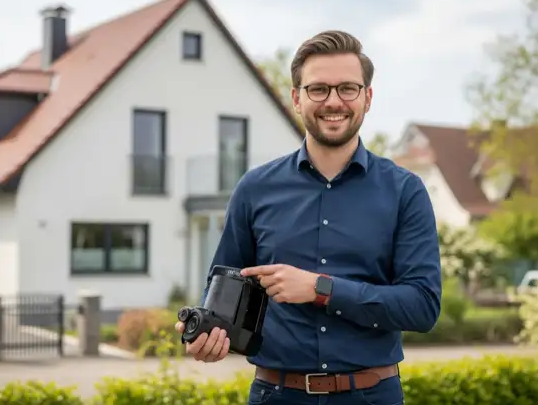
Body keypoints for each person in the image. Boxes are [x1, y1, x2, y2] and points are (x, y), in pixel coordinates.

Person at [175, 30, 442, 404]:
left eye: (348, 88)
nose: (334, 101)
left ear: (367, 97)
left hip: (371, 396)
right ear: (297, 99)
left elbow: (422, 307)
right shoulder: (255, 188)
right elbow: (223, 286)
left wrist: (321, 288)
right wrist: (208, 336)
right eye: (319, 89)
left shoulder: (405, 191)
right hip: (276, 395)